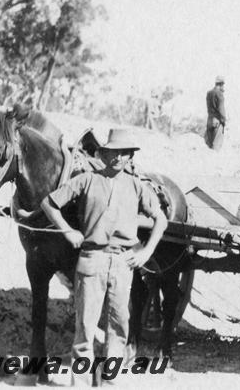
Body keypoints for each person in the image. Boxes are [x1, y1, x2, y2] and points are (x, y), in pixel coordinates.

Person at [40, 128, 168, 386]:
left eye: (124, 153)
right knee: (86, 327)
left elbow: (161, 219)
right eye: (114, 152)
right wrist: (67, 231)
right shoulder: (86, 180)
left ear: (129, 156)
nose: (119, 158)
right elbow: (49, 203)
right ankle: (82, 383)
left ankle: (110, 382)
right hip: (92, 259)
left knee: (119, 327)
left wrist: (146, 252)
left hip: (123, 263)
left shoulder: (136, 186)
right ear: (105, 153)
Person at [205, 76, 227, 150]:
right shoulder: (219, 94)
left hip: (209, 121)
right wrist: (224, 121)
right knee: (215, 148)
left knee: (208, 147)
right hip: (217, 122)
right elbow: (221, 109)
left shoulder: (209, 93)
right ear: (221, 84)